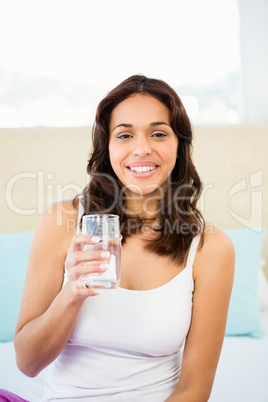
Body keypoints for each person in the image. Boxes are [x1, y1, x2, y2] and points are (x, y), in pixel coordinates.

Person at [14, 75, 235, 402]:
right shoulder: (62, 222)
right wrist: (71, 294)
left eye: (159, 133)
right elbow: (27, 363)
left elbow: (194, 388)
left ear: (179, 144)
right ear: (108, 147)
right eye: (125, 134)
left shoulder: (211, 248)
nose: (142, 148)